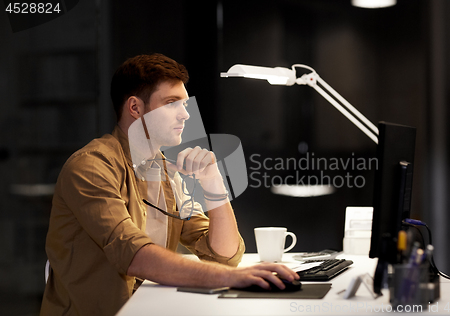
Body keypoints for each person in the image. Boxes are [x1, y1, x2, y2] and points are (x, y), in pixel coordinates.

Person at [40, 53, 299, 316]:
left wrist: (213, 182)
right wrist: (230, 278)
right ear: (135, 108)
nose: (185, 115)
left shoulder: (164, 170)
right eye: (172, 103)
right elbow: (133, 254)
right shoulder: (91, 167)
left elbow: (224, 255)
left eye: (185, 104)